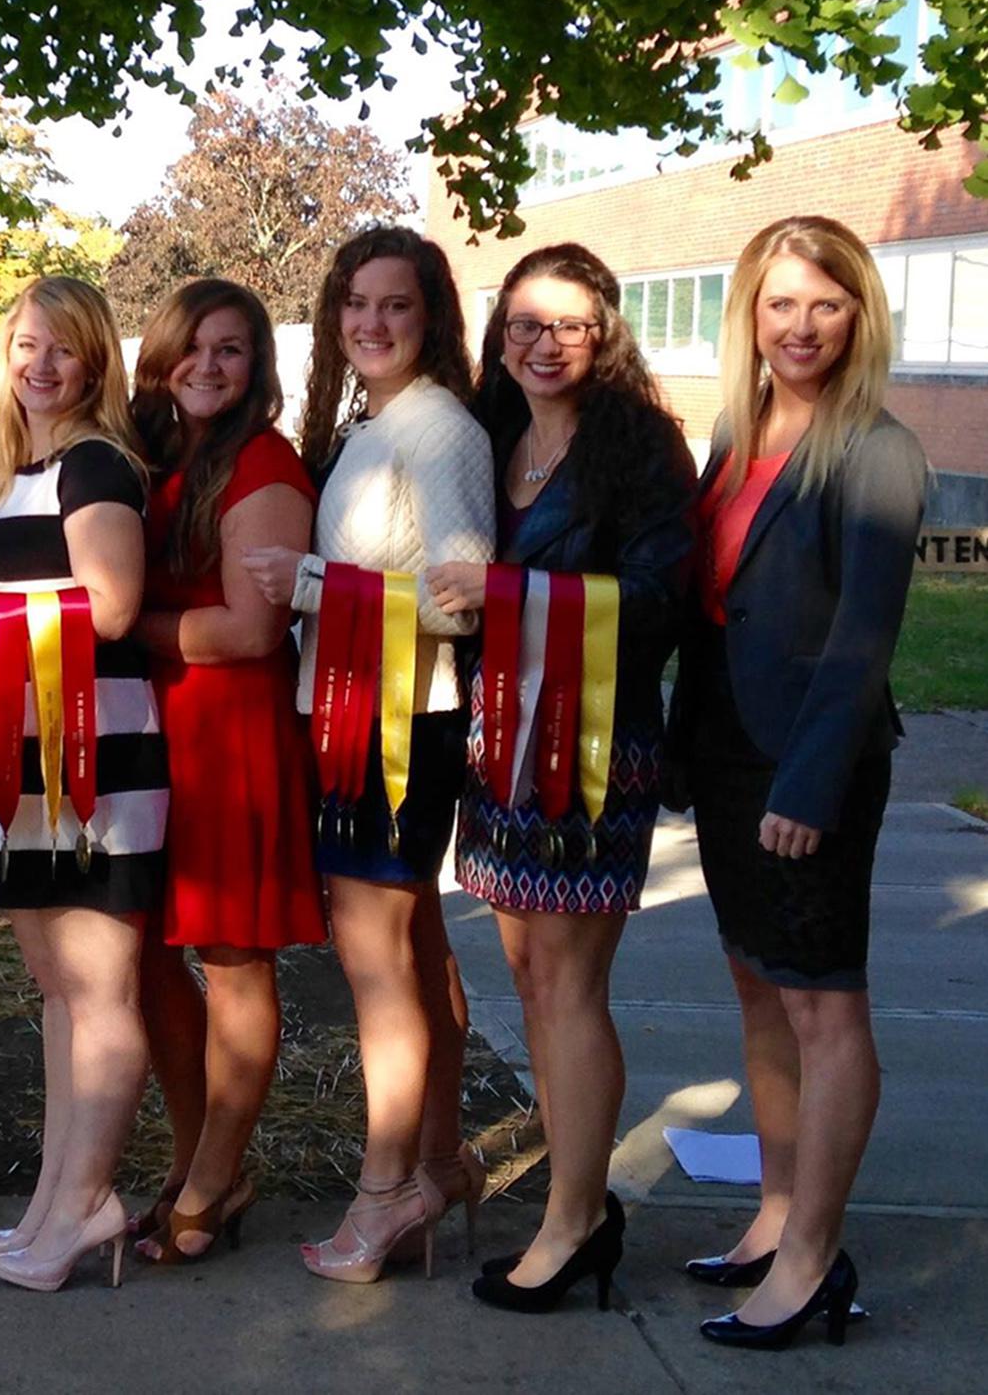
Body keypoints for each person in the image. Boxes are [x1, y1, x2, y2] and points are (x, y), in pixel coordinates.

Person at [423, 245, 697, 1312]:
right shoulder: (487, 437)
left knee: (572, 985)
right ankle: (573, 1202)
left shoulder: (640, 447)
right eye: (526, 325)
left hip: (595, 747)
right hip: (503, 742)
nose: (544, 345)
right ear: (501, 334)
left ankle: (577, 1218)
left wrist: (509, 590)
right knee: (531, 977)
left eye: (569, 327)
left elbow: (661, 601)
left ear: (605, 335)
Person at [669, 216, 925, 1351]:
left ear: (859, 314)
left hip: (809, 769)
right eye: (781, 304)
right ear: (751, 316)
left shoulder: (877, 450)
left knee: (824, 1008)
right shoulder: (741, 430)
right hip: (729, 756)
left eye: (825, 303)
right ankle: (775, 1213)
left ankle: (815, 1259)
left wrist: (810, 788)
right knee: (760, 995)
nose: (802, 325)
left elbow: (864, 639)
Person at [0, 275, 168, 1292]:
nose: (42, 364)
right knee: (57, 989)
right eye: (26, 345)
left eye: (64, 348)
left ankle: (90, 1197)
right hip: (21, 753)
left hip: (93, 758)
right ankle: (62, 1197)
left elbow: (109, 607)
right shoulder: (12, 468)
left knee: (98, 988)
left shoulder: (99, 465)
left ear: (97, 360)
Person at [245, 225, 493, 1282]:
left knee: (378, 963)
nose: (372, 322)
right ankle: (437, 1164)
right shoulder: (380, 424)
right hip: (358, 710)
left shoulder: (437, 429)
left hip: (398, 723)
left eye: (395, 304)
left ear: (430, 314)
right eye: (356, 303)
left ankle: (389, 1190)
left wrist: (303, 582)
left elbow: (462, 594)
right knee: (413, 948)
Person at [127, 279, 325, 1264]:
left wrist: (121, 626)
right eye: (193, 346)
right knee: (145, 950)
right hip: (153, 733)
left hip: (230, 736)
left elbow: (251, 631)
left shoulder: (264, 461)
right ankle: (193, 1150)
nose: (209, 365)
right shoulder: (161, 455)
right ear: (161, 355)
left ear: (259, 366)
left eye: (233, 349)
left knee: (233, 958)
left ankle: (215, 1176)